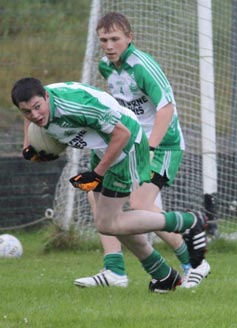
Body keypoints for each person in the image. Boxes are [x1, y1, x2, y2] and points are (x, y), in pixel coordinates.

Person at [12, 77, 208, 293]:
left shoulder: (75, 106)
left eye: (38, 108)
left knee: (108, 223)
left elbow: (122, 133)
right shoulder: (37, 100)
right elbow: (30, 113)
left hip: (126, 146)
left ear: (46, 97)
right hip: (104, 148)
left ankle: (187, 221)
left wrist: (97, 174)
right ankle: (163, 275)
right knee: (110, 220)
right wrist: (28, 146)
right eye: (27, 111)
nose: (35, 115)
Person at [73, 12, 210, 289]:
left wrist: (150, 147)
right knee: (96, 194)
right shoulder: (105, 66)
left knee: (140, 206)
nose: (109, 45)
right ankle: (115, 270)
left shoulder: (143, 66)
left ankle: (194, 262)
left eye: (115, 39)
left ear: (129, 38)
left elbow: (167, 108)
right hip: (130, 143)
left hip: (161, 144)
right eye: (104, 40)